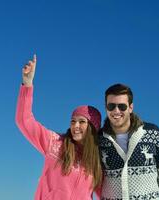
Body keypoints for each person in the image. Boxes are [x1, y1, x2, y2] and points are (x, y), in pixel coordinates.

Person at [15, 54, 102, 199]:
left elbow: (106, 194)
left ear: (93, 128)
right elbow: (24, 120)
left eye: (82, 121)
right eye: (73, 121)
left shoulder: (96, 163)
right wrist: (27, 83)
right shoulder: (54, 142)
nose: (76, 125)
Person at [98, 83, 159, 200]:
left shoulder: (153, 133)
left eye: (122, 106)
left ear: (131, 107)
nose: (116, 111)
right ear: (106, 107)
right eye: (111, 106)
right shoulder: (98, 139)